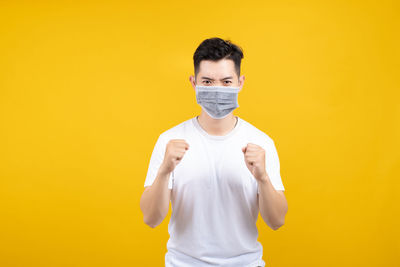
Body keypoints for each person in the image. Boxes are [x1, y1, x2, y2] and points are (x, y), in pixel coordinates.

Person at [139, 37, 288, 267]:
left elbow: (277, 221)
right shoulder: (169, 140)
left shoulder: (261, 142)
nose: (217, 89)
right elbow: (150, 218)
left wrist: (263, 178)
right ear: (193, 82)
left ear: (240, 82)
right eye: (207, 82)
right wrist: (164, 171)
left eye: (226, 81)